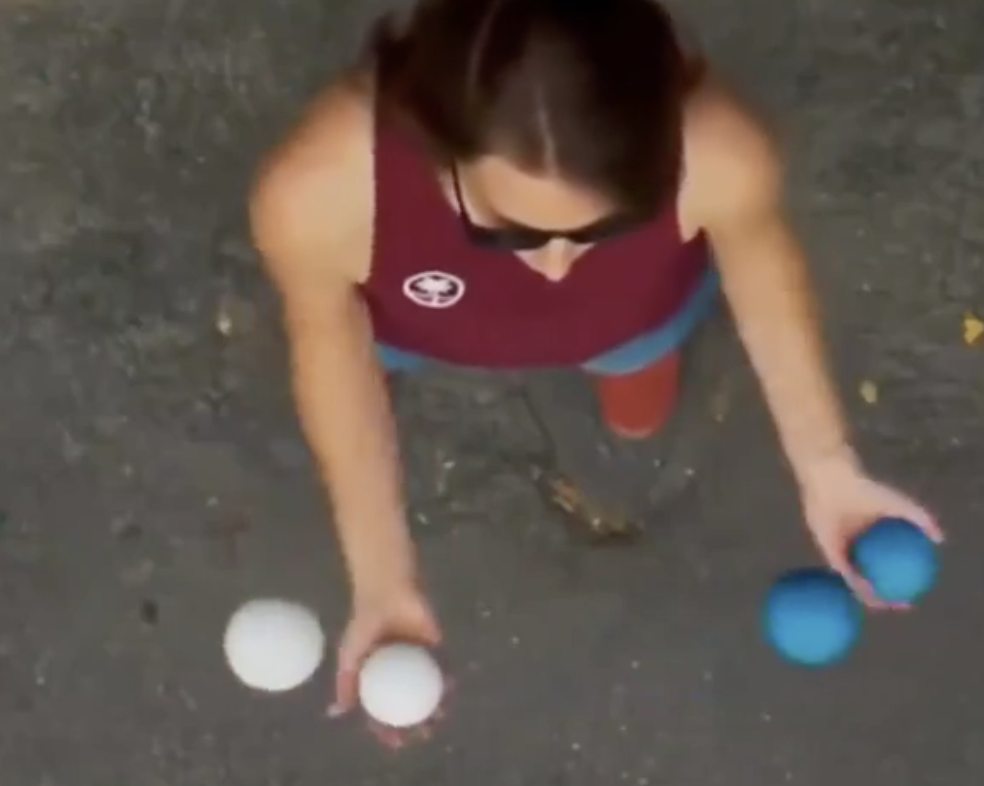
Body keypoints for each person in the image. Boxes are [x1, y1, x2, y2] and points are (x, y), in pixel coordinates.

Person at [251, 0, 943, 742]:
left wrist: (828, 468)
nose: (557, 267)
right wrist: (383, 579)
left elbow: (763, 275)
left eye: (609, 225)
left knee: (638, 403)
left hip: (630, 325)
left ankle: (626, 422)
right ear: (432, 136)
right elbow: (330, 346)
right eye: (510, 231)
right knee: (364, 405)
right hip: (403, 329)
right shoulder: (320, 189)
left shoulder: (719, 149)